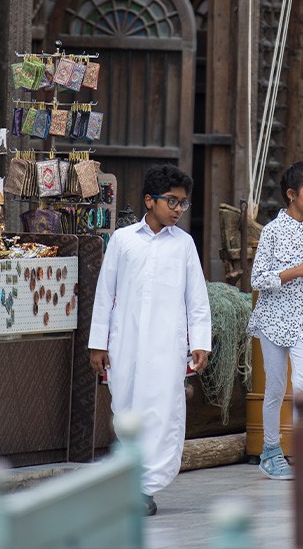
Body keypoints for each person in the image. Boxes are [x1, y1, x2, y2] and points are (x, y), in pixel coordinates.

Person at [88, 164, 211, 516]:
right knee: (124, 408)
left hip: (166, 346)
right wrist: (99, 343)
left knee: (162, 411)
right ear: (149, 200)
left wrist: (199, 341)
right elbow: (104, 294)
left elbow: (196, 298)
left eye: (182, 203)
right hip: (124, 343)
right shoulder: (123, 241)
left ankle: (145, 487)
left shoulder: (184, 245)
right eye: (171, 201)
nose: (177, 209)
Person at [247, 161, 303, 480]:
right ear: (292, 194)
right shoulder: (272, 231)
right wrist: (298, 272)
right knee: (276, 388)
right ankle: (270, 450)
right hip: (273, 320)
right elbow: (257, 278)